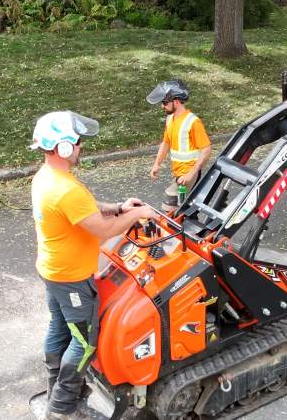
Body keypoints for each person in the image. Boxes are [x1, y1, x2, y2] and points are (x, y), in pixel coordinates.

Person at [29, 110, 156, 418]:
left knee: (59, 327)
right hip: (71, 278)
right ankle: (61, 407)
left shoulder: (48, 177)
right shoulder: (65, 189)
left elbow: (87, 210)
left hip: (53, 271)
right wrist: (138, 215)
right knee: (85, 342)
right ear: (63, 148)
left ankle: (54, 389)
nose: (81, 147)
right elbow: (103, 229)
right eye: (77, 143)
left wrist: (118, 207)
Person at [146, 80, 212, 212]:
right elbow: (166, 143)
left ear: (176, 101)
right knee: (183, 211)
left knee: (170, 206)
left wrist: (191, 174)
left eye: (164, 103)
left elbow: (206, 150)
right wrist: (157, 164)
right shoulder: (170, 119)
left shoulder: (193, 122)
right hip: (178, 173)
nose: (162, 106)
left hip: (188, 174)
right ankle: (193, 231)